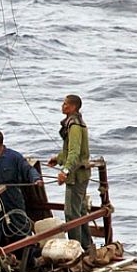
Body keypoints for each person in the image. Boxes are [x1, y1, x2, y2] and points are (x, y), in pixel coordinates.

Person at [47, 94, 93, 249]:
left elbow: (74, 153)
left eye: (65, 104)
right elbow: (68, 152)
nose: (63, 106)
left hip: (76, 176)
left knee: (71, 214)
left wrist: (64, 171)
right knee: (79, 211)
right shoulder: (75, 123)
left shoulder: (74, 126)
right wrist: (58, 159)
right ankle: (87, 246)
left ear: (73, 107)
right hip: (79, 174)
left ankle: (76, 249)